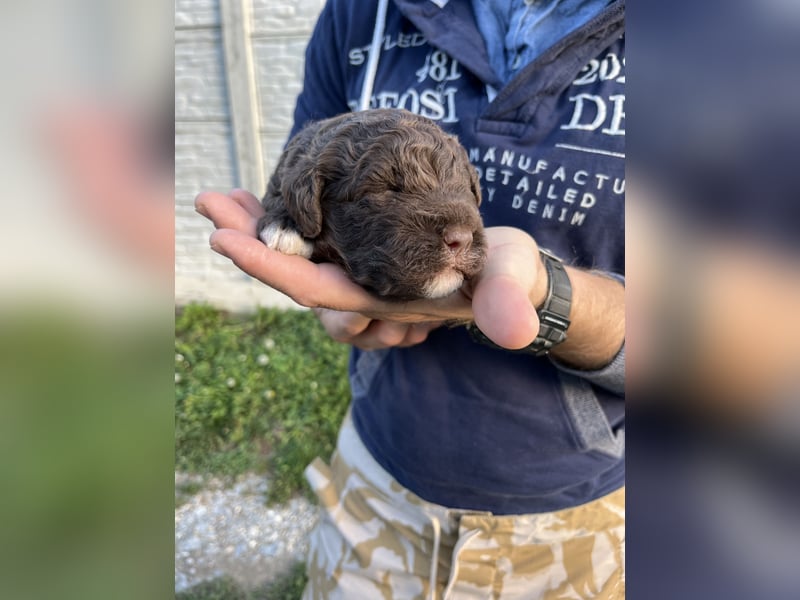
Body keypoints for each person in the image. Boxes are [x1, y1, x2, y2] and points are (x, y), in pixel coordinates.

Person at [197, 0, 626, 597]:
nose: (456, 227)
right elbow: (299, 171)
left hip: (582, 513)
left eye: (461, 195)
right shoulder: (358, 14)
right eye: (385, 190)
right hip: (379, 475)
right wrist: (321, 281)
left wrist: (556, 300)